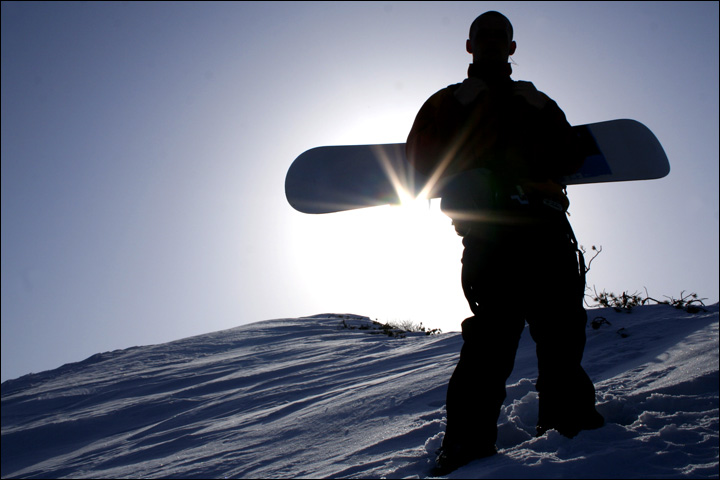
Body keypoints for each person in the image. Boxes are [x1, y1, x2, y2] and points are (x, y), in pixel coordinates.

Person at [406, 11, 604, 475]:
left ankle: (573, 428)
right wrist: (460, 106)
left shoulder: (535, 101)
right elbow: (418, 162)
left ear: (512, 48)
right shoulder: (447, 102)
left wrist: (539, 111)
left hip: (548, 231)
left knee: (561, 335)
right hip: (489, 236)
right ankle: (465, 448)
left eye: (501, 37)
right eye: (485, 36)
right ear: (470, 46)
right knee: (490, 342)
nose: (493, 43)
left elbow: (571, 156)